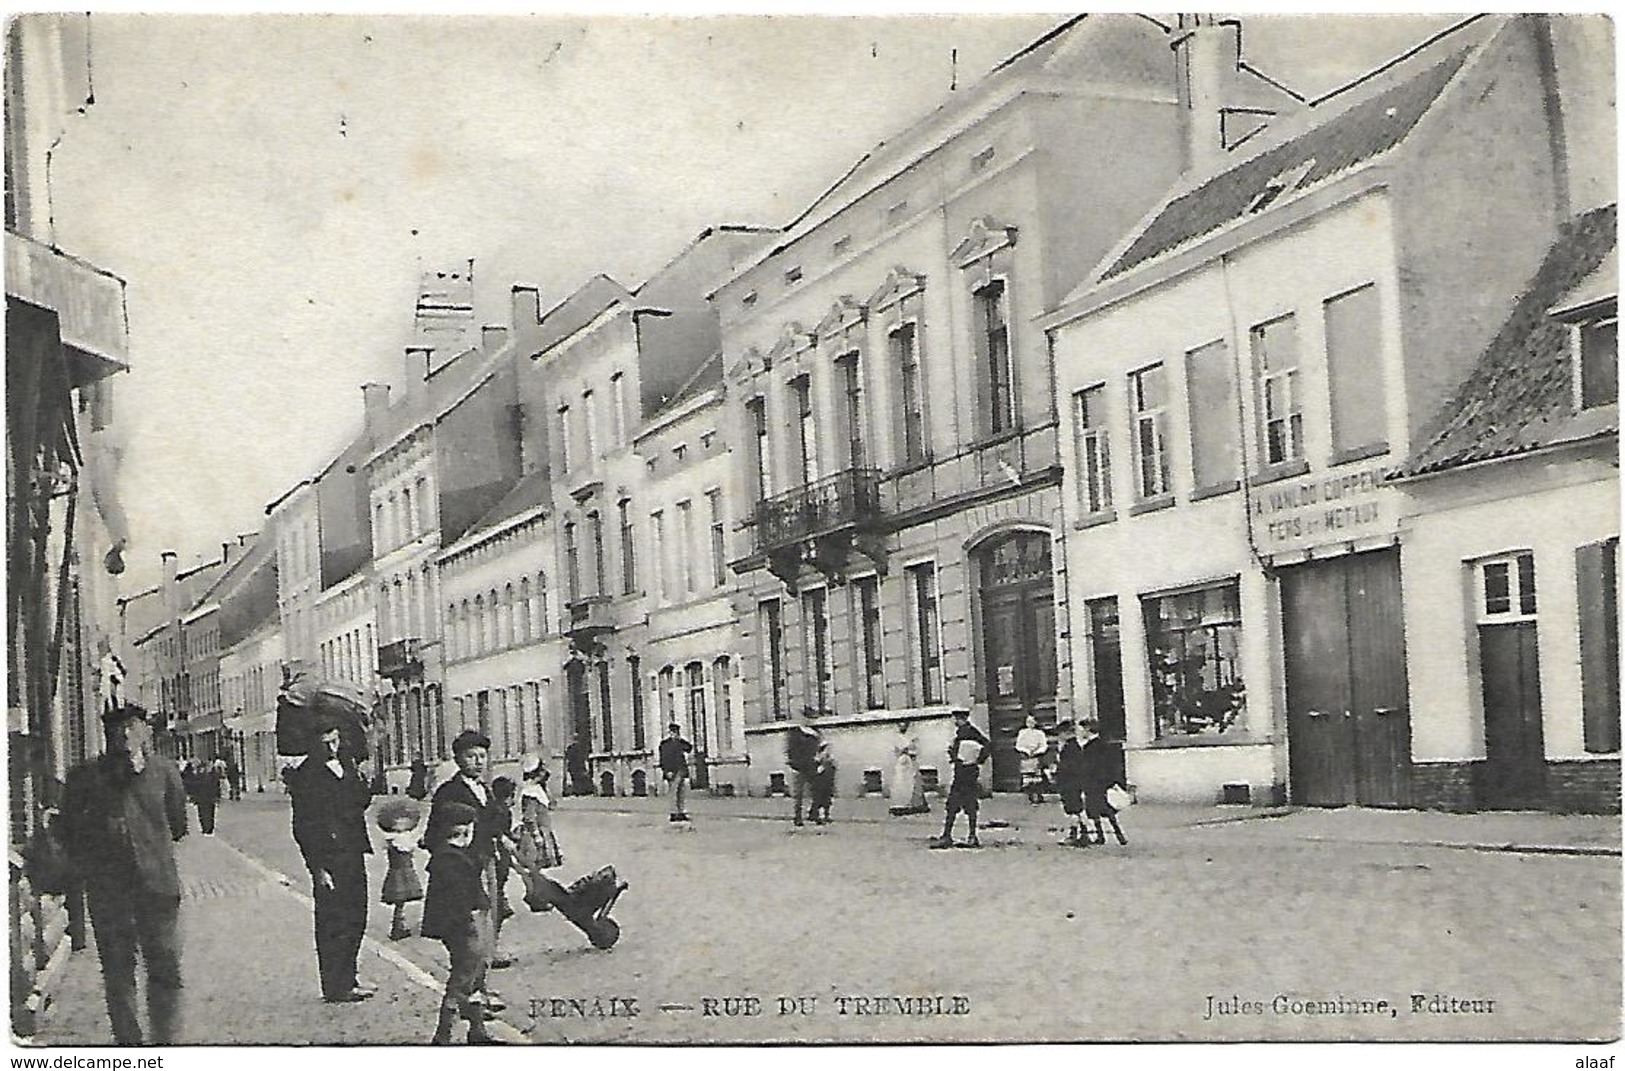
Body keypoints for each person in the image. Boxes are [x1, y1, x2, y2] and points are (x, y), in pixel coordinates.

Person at [59, 704, 188, 1044]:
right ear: (108, 737)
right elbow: (69, 833)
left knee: (165, 968)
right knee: (118, 972)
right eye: (119, 732)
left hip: (158, 889)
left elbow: (178, 825)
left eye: (133, 730)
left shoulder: (165, 772)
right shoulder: (85, 778)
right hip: (109, 893)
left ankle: (165, 1043)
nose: (127, 738)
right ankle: (129, 1046)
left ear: (146, 733)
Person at [285, 717, 375, 1004]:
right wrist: (317, 867)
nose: (333, 748)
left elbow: (360, 801)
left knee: (356, 916)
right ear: (315, 744)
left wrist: (361, 778)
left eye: (336, 741)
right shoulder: (307, 776)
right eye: (326, 743)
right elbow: (303, 826)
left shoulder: (346, 766)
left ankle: (349, 976)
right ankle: (335, 985)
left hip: (353, 851)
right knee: (333, 922)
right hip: (329, 858)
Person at [425, 730, 511, 983]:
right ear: (458, 759)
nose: (478, 761)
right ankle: (470, 989)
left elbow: (494, 822)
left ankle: (480, 980)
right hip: (465, 868)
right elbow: (435, 834)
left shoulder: (486, 789)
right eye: (471, 756)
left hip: (489, 863)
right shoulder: (448, 791)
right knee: (468, 928)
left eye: (482, 756)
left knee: (488, 918)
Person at [421, 801, 502, 1045]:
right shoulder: (451, 861)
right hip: (464, 927)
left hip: (465, 924)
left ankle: (477, 1030)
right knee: (463, 977)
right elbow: (458, 901)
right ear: (465, 831)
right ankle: (443, 1034)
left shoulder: (450, 856)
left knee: (475, 976)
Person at [929, 711, 991, 850]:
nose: (956, 721)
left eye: (957, 719)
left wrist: (977, 760)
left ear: (963, 719)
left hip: (967, 772)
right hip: (961, 771)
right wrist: (953, 753)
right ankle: (953, 835)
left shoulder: (971, 732)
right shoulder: (961, 732)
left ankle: (966, 836)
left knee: (965, 804)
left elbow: (987, 745)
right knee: (957, 804)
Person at [513, 753, 564, 912]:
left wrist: (545, 788)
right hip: (534, 835)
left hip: (542, 832)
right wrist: (536, 835)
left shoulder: (537, 790)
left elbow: (552, 805)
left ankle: (537, 897)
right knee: (534, 869)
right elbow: (529, 818)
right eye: (542, 771)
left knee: (537, 869)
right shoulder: (530, 793)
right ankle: (535, 898)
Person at [1079, 720, 1130, 847]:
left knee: (1094, 809)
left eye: (1083, 730)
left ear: (1088, 730)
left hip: (1092, 782)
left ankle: (1101, 835)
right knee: (1106, 809)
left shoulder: (1089, 747)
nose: (1082, 732)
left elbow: (1087, 766)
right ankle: (1119, 835)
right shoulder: (1104, 745)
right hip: (1103, 781)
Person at [378, 802, 425, 940]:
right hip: (401, 872)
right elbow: (408, 847)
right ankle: (398, 926)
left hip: (400, 871)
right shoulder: (397, 839)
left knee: (400, 902)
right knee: (400, 900)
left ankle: (398, 924)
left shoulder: (395, 838)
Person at [1052, 720, 1089, 847]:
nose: (1059, 737)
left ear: (1065, 733)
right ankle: (1084, 834)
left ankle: (1075, 835)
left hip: (1069, 782)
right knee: (1075, 809)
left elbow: (1069, 766)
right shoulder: (1074, 746)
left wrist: (1057, 770)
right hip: (1073, 781)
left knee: (1073, 809)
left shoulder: (1070, 748)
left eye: (1060, 734)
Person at [784, 720, 822, 827]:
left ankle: (814, 813)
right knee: (799, 794)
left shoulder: (815, 732)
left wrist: (819, 760)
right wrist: (793, 763)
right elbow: (790, 750)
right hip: (798, 767)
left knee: (816, 791)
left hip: (812, 766)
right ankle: (798, 817)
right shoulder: (795, 733)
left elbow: (820, 748)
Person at [888, 721, 928, 816]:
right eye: (900, 724)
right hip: (900, 762)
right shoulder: (895, 737)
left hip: (910, 761)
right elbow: (894, 750)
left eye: (904, 724)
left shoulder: (913, 737)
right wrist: (900, 751)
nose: (902, 726)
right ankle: (900, 803)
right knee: (900, 781)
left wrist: (909, 750)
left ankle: (915, 803)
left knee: (913, 781)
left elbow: (916, 749)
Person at [658, 722, 693, 823]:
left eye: (676, 732)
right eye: (672, 732)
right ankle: (674, 813)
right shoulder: (665, 744)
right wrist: (666, 771)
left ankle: (681, 811)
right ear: (670, 732)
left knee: (681, 792)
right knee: (673, 792)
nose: (674, 734)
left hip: (680, 770)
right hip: (671, 771)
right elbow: (663, 759)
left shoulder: (679, 743)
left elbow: (689, 748)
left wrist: (681, 740)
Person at [1015, 715, 1050, 805]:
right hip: (1026, 757)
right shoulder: (1022, 732)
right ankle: (1030, 794)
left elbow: (1044, 745)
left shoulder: (1040, 733)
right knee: (1027, 778)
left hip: (1037, 757)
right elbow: (1018, 745)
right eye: (1028, 722)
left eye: (1032, 721)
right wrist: (1026, 751)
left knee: (1037, 777)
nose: (1030, 724)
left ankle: (1038, 794)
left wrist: (1037, 751)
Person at [184, 757, 221, 835]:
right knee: (207, 813)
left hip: (205, 797)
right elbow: (216, 785)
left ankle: (207, 828)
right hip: (207, 797)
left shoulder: (203, 773)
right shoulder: (209, 773)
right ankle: (208, 828)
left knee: (206, 813)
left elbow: (216, 785)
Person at [808, 741, 837, 825]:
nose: (829, 750)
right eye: (826, 748)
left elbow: (832, 770)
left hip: (828, 783)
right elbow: (815, 772)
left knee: (827, 801)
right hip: (819, 784)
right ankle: (817, 816)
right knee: (819, 800)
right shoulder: (818, 759)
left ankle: (826, 816)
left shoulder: (830, 759)